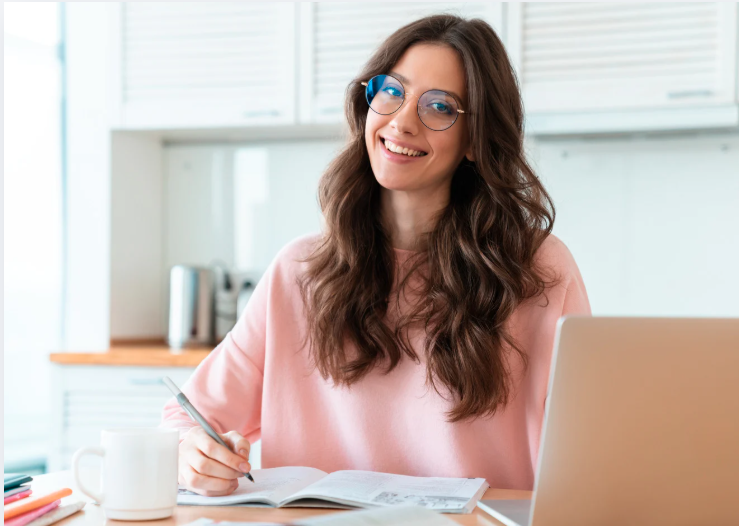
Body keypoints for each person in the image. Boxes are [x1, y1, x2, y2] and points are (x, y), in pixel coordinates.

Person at [161, 14, 591, 496]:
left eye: (440, 106)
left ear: (475, 139)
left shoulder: (540, 271)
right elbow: (186, 418)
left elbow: (590, 451)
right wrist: (190, 453)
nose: (403, 121)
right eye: (392, 91)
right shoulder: (300, 272)